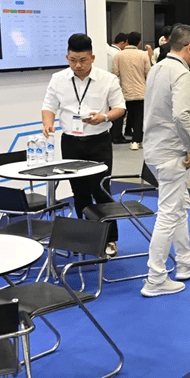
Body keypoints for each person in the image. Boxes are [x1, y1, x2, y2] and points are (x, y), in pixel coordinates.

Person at [41, 34, 126, 257]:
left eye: (83, 60)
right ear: (67, 58)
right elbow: (49, 105)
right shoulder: (58, 79)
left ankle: (109, 238)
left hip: (99, 142)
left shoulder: (108, 79)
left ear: (92, 58)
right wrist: (48, 123)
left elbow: (120, 107)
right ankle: (87, 236)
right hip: (71, 143)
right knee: (79, 191)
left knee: (101, 190)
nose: (78, 65)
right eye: (73, 60)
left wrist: (104, 117)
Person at [140, 24, 190, 297]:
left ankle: (185, 260)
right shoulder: (181, 73)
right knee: (168, 212)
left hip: (155, 150)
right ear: (189, 47)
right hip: (171, 152)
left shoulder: (157, 67)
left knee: (179, 205)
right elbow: (181, 115)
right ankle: (155, 278)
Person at [113, 31, 151, 150]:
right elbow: (148, 72)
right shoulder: (143, 55)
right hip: (140, 91)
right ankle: (136, 141)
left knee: (126, 115)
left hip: (124, 91)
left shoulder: (119, 55)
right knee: (139, 117)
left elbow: (115, 72)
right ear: (139, 43)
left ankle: (121, 135)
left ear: (127, 41)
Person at [108, 33, 129, 144]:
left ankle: (113, 135)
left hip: (107, 84)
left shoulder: (107, 51)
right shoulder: (118, 54)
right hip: (116, 84)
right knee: (119, 110)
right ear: (122, 42)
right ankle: (117, 136)